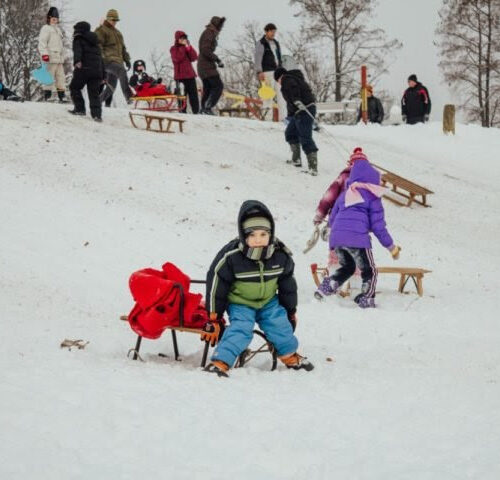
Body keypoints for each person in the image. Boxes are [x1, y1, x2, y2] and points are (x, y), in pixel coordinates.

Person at [203, 200, 314, 377]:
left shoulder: (280, 255)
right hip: (240, 302)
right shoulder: (232, 256)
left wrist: (290, 311)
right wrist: (214, 317)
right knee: (241, 328)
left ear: (271, 234)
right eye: (252, 235)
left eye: (263, 234)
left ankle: (289, 355)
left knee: (280, 325)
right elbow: (217, 282)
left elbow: (288, 286)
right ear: (243, 236)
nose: (258, 240)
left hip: (268, 302)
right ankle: (220, 361)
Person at [314, 148, 400, 308]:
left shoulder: (345, 194)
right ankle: (367, 298)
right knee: (370, 271)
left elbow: (333, 217)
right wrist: (391, 247)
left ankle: (325, 288)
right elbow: (378, 226)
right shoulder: (373, 197)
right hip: (358, 241)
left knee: (348, 267)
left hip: (337, 240)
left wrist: (332, 231)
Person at [274, 66, 318, 176]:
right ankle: (296, 159)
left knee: (305, 136)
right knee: (290, 132)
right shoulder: (292, 78)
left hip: (305, 108)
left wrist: (297, 100)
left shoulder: (287, 79)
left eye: (277, 81)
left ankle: (313, 167)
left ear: (280, 77)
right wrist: (289, 116)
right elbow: (290, 103)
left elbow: (293, 89)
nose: (279, 83)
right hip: (298, 111)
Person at [68, 21, 104, 122]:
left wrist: (77, 61)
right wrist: (103, 75)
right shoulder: (95, 42)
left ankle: (80, 109)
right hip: (97, 71)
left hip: (84, 68)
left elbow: (77, 50)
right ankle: (97, 115)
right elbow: (101, 59)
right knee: (94, 93)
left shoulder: (78, 38)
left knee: (74, 87)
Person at [95, 9, 133, 105]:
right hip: (107, 61)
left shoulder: (118, 33)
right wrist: (102, 58)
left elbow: (123, 48)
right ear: (107, 19)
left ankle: (96, 103)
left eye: (116, 20)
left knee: (111, 87)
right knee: (121, 71)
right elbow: (98, 45)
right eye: (112, 20)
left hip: (117, 61)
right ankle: (129, 96)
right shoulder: (101, 30)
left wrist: (127, 60)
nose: (114, 22)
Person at [254, 23, 286, 121]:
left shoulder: (276, 43)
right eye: (272, 32)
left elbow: (279, 57)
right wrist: (259, 71)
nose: (273, 34)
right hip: (267, 72)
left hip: (278, 73)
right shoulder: (261, 43)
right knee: (268, 96)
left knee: (282, 95)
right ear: (266, 31)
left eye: (274, 32)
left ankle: (283, 118)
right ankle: (267, 120)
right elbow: (257, 58)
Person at [38, 7, 67, 103]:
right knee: (48, 77)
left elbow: (61, 45)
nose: (55, 21)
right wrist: (44, 54)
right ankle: (47, 95)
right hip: (49, 58)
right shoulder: (46, 28)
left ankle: (62, 96)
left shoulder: (58, 30)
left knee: (61, 77)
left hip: (58, 58)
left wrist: (63, 55)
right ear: (49, 18)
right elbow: (42, 42)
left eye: (56, 19)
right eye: (53, 19)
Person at [197, 16, 225, 115]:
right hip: (206, 65)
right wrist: (217, 59)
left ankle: (203, 109)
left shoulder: (209, 32)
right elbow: (205, 50)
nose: (221, 28)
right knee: (218, 86)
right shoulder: (209, 33)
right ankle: (207, 107)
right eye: (221, 26)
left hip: (203, 65)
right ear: (217, 25)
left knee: (208, 88)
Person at [170, 31, 200, 114]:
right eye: (182, 38)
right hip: (180, 77)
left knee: (194, 95)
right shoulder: (173, 49)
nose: (184, 40)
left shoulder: (186, 48)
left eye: (185, 38)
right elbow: (177, 58)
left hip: (190, 75)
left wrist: (189, 47)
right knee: (182, 96)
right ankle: (182, 112)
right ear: (177, 39)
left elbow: (194, 57)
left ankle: (196, 112)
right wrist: (183, 47)